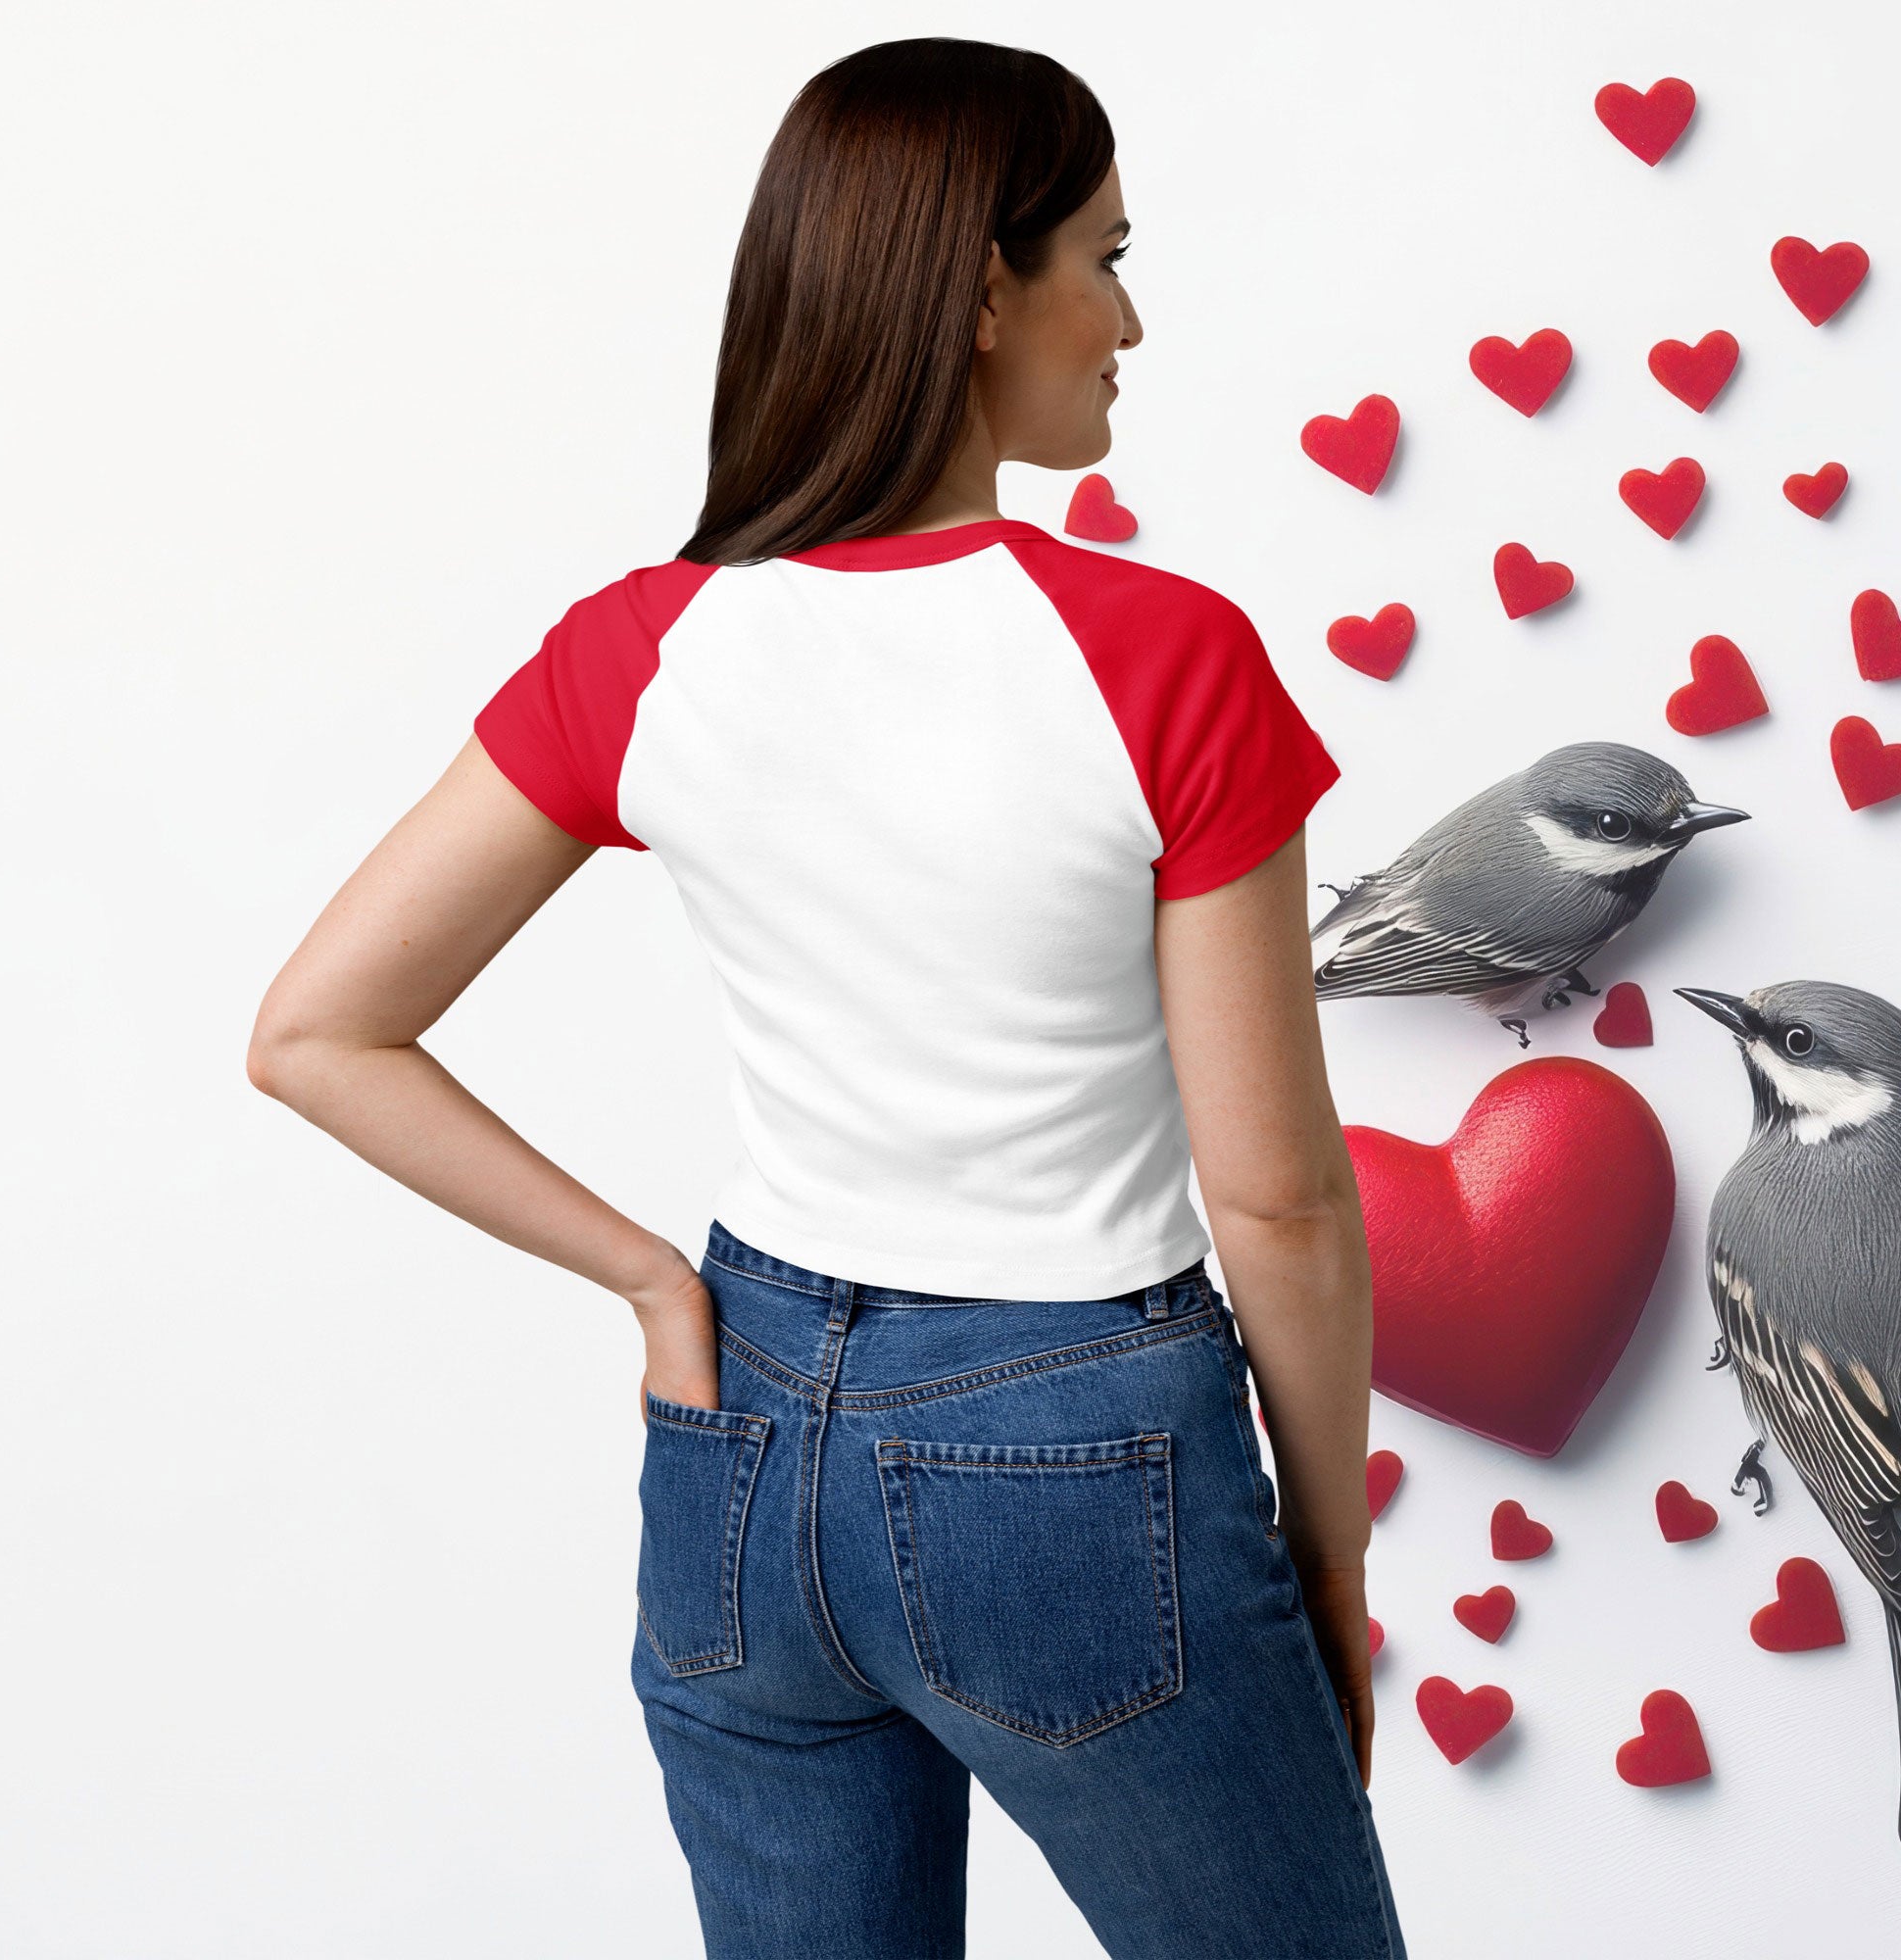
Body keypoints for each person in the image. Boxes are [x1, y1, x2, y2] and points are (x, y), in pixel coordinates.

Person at [247, 34, 1409, 1960]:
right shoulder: (1162, 659)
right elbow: (1276, 1193)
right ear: (979, 287)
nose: (1126, 318)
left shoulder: (646, 647)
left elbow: (316, 1029)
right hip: (1078, 1464)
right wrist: (1327, 1557)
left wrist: (650, 1280)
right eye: (1101, 259)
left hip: (744, 1440)